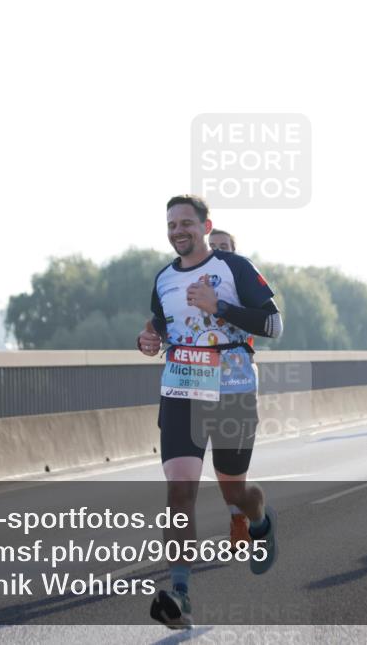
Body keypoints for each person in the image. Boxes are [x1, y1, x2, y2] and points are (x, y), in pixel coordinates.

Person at [137, 195, 281, 628]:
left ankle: (258, 519)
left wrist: (220, 307)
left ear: (205, 225)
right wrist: (149, 339)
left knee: (233, 491)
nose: (178, 230)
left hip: (233, 388)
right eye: (171, 224)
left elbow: (273, 324)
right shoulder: (163, 279)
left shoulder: (234, 268)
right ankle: (180, 596)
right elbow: (162, 326)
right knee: (180, 491)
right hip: (182, 389)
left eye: (186, 223)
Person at [203, 227, 252, 544]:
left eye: (224, 247)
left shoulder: (244, 280)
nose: (218, 251)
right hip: (198, 380)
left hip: (237, 379)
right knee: (200, 463)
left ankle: (239, 516)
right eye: (213, 247)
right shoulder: (188, 279)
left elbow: (265, 319)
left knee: (229, 461)